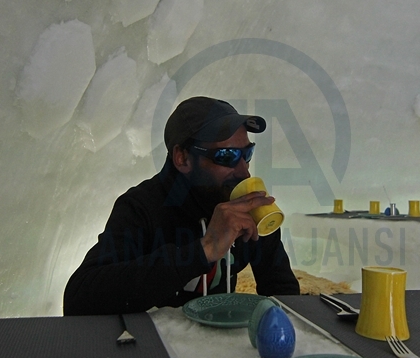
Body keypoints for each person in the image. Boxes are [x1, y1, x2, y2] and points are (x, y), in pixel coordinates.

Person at [63, 96, 300, 315]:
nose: (244, 170)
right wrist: (204, 249)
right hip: (153, 349)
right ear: (183, 158)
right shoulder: (141, 207)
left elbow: (282, 291)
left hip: (217, 347)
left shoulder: (246, 209)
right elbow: (78, 299)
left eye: (247, 153)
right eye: (227, 156)